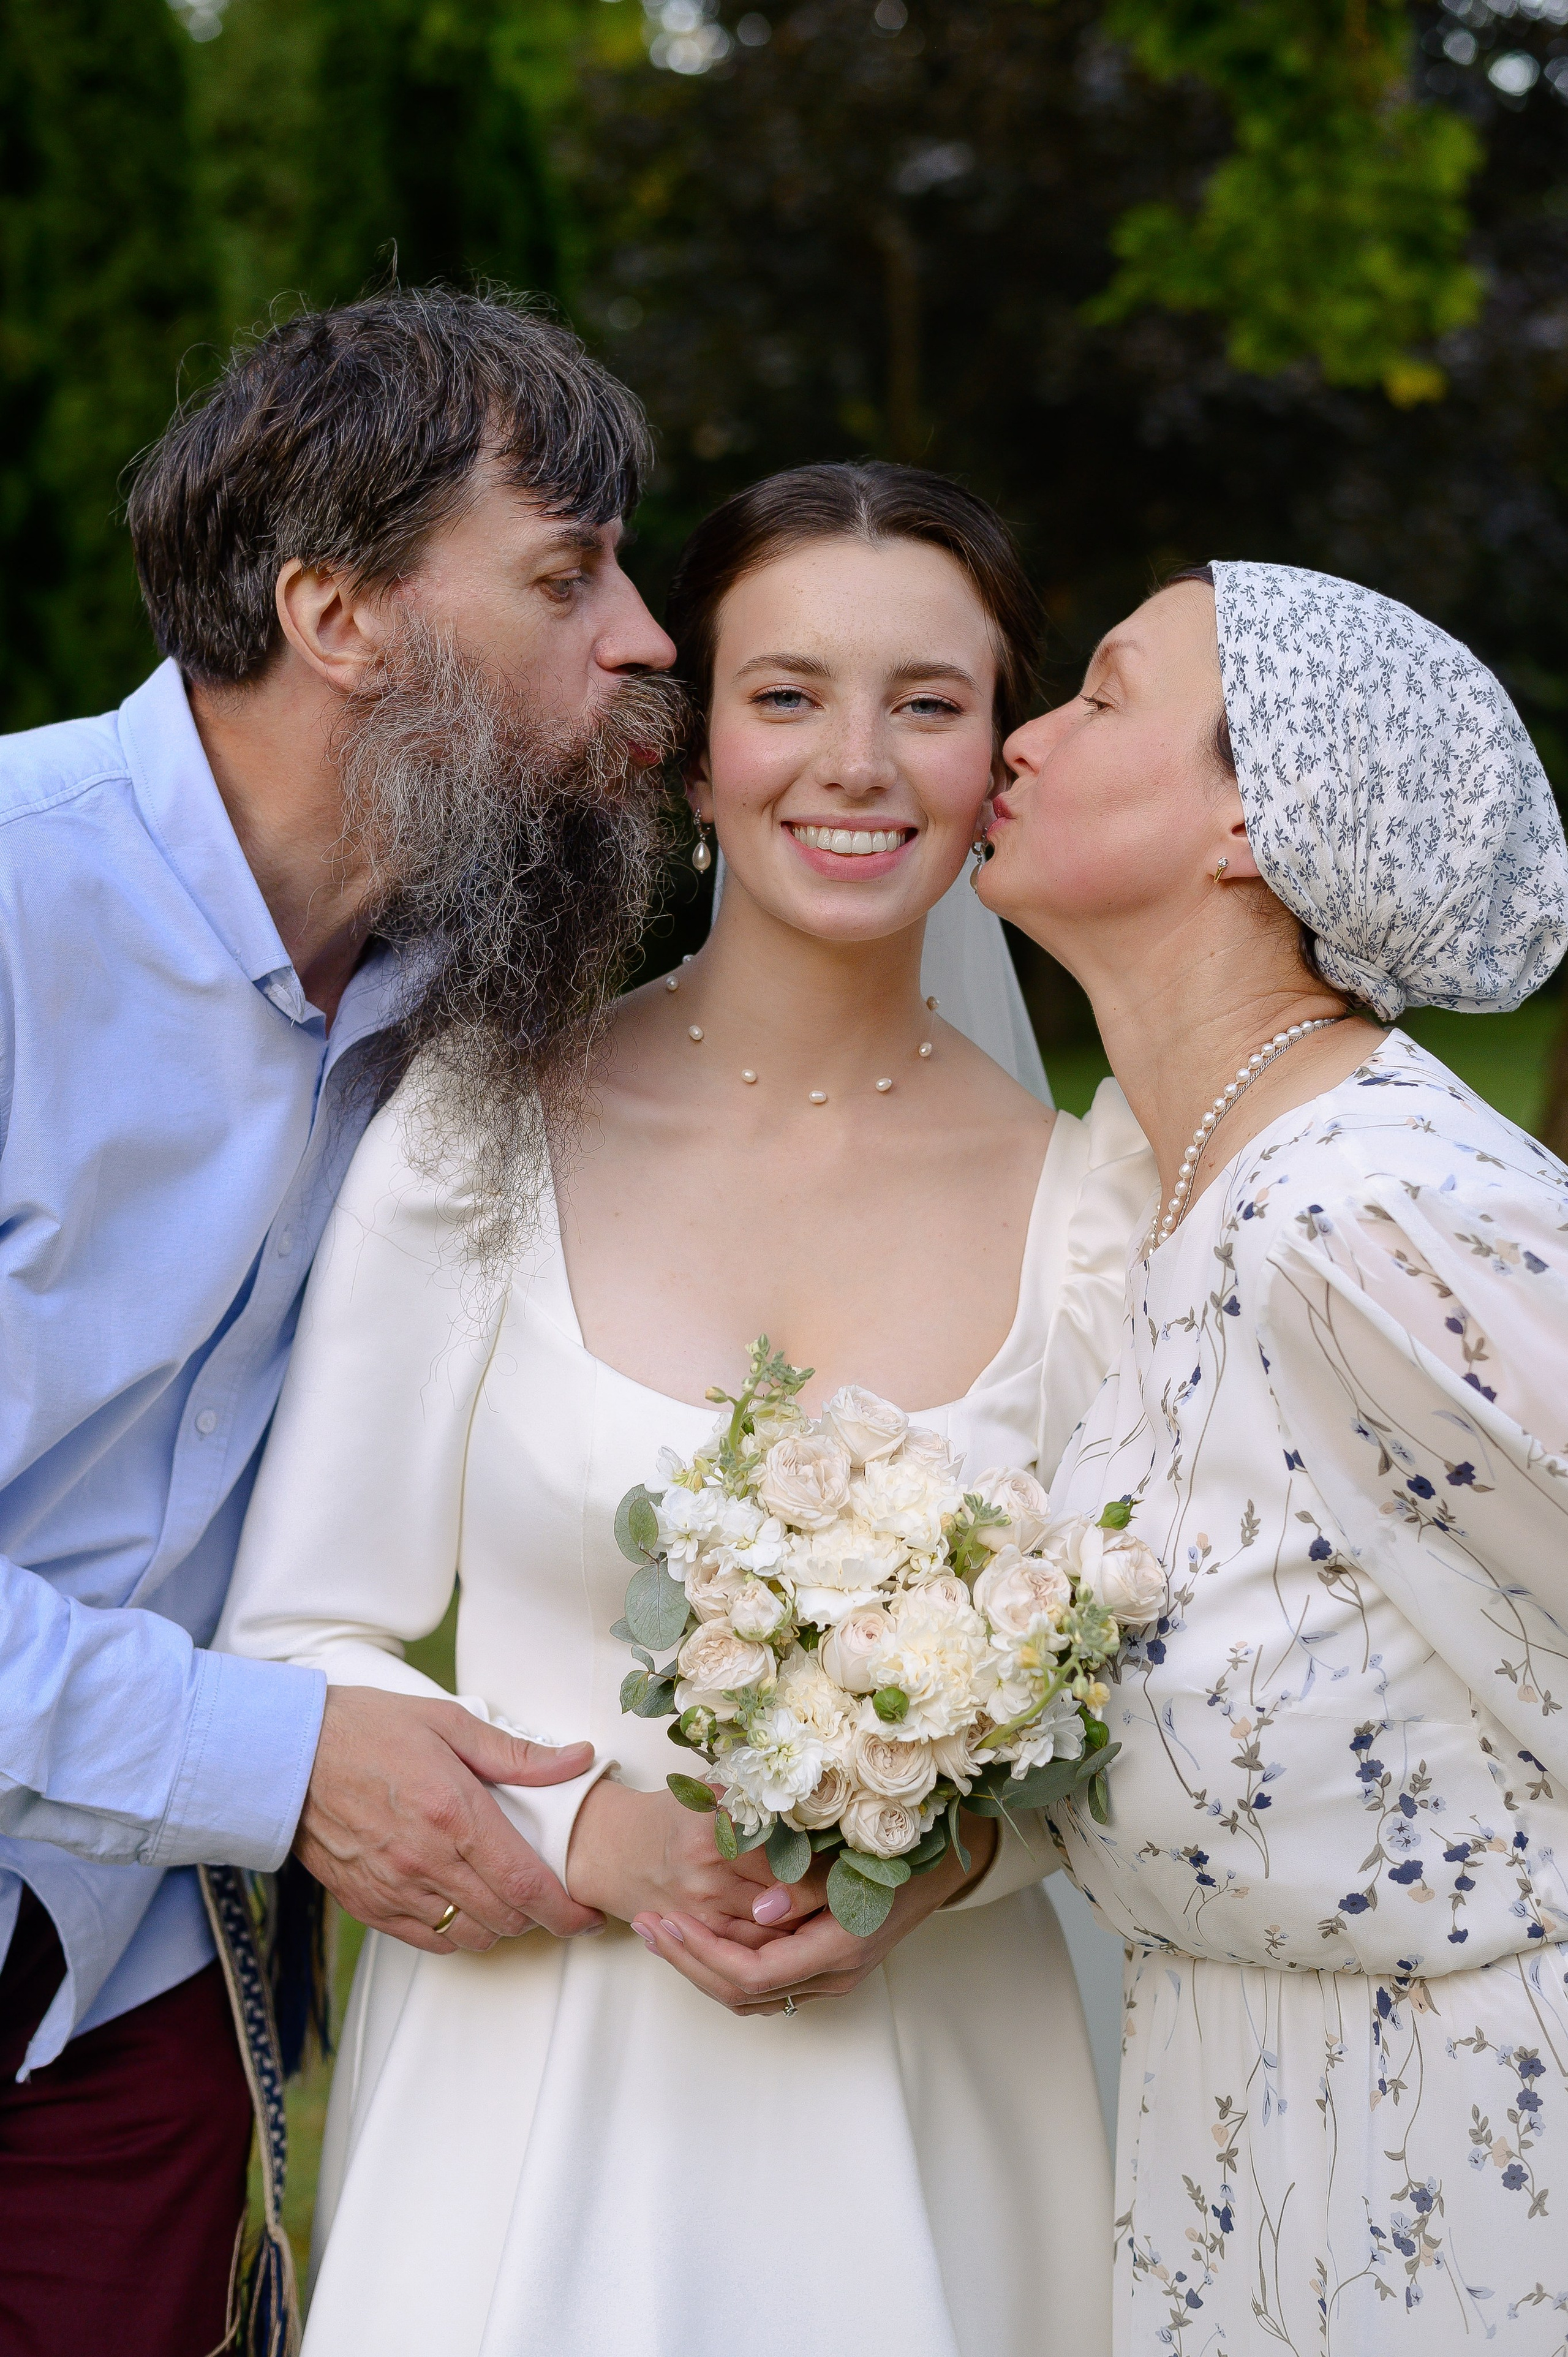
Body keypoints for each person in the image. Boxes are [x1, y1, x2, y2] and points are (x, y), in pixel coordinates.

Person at [218, 461, 1155, 2357]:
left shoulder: (1099, 1214)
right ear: (694, 747)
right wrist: (596, 1847)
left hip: (942, 2085)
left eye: (932, 704)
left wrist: (952, 1855)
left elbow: (1143, 1704)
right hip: (543, 2083)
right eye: (790, 695)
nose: (860, 766)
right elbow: (300, 1631)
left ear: (998, 766)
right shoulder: (484, 1127)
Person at [0, 287, 684, 2355]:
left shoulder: (481, 993)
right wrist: (279, 1756)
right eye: (567, 574)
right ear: (339, 614)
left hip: (145, 2009)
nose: (649, 635)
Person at [977, 558, 1568, 2350]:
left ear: (1256, 812)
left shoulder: (1377, 1215)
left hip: (1468, 2183)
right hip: (1241, 2158)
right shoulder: (1191, 1195)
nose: (1025, 735)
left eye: (1101, 696)